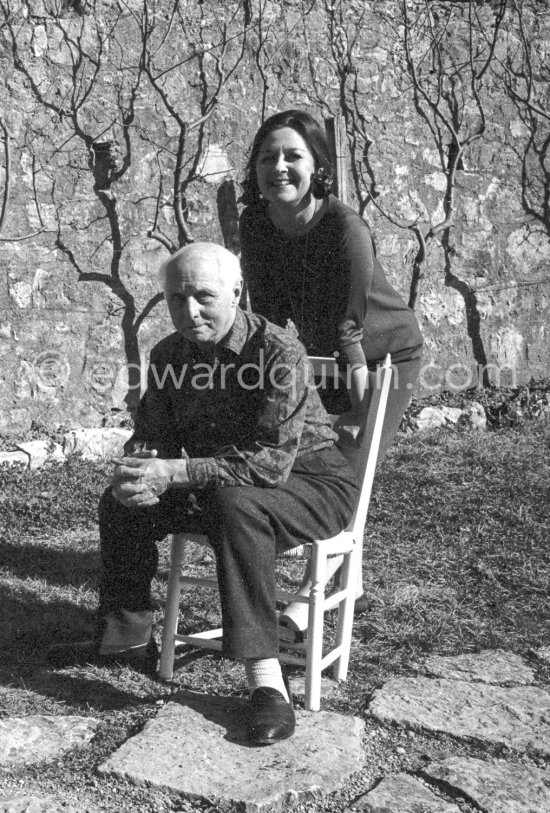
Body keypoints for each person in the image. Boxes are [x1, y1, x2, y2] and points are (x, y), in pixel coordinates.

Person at [47, 242, 358, 746]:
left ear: (236, 293)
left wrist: (173, 470)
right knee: (122, 505)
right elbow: (155, 433)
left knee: (235, 506)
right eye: (176, 298)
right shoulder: (170, 354)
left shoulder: (279, 352)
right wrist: (140, 466)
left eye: (204, 297)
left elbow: (268, 463)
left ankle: (266, 683)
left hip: (310, 484)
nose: (189, 311)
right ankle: (126, 639)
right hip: (219, 484)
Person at [239, 110, 424, 639]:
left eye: (293, 155)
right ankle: (349, 579)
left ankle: (308, 599)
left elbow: (351, 333)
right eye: (267, 156)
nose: (279, 167)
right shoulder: (257, 223)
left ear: (317, 164)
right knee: (313, 460)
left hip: (382, 355)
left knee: (349, 465)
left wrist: (354, 415)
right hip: (322, 355)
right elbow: (271, 318)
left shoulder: (346, 228)